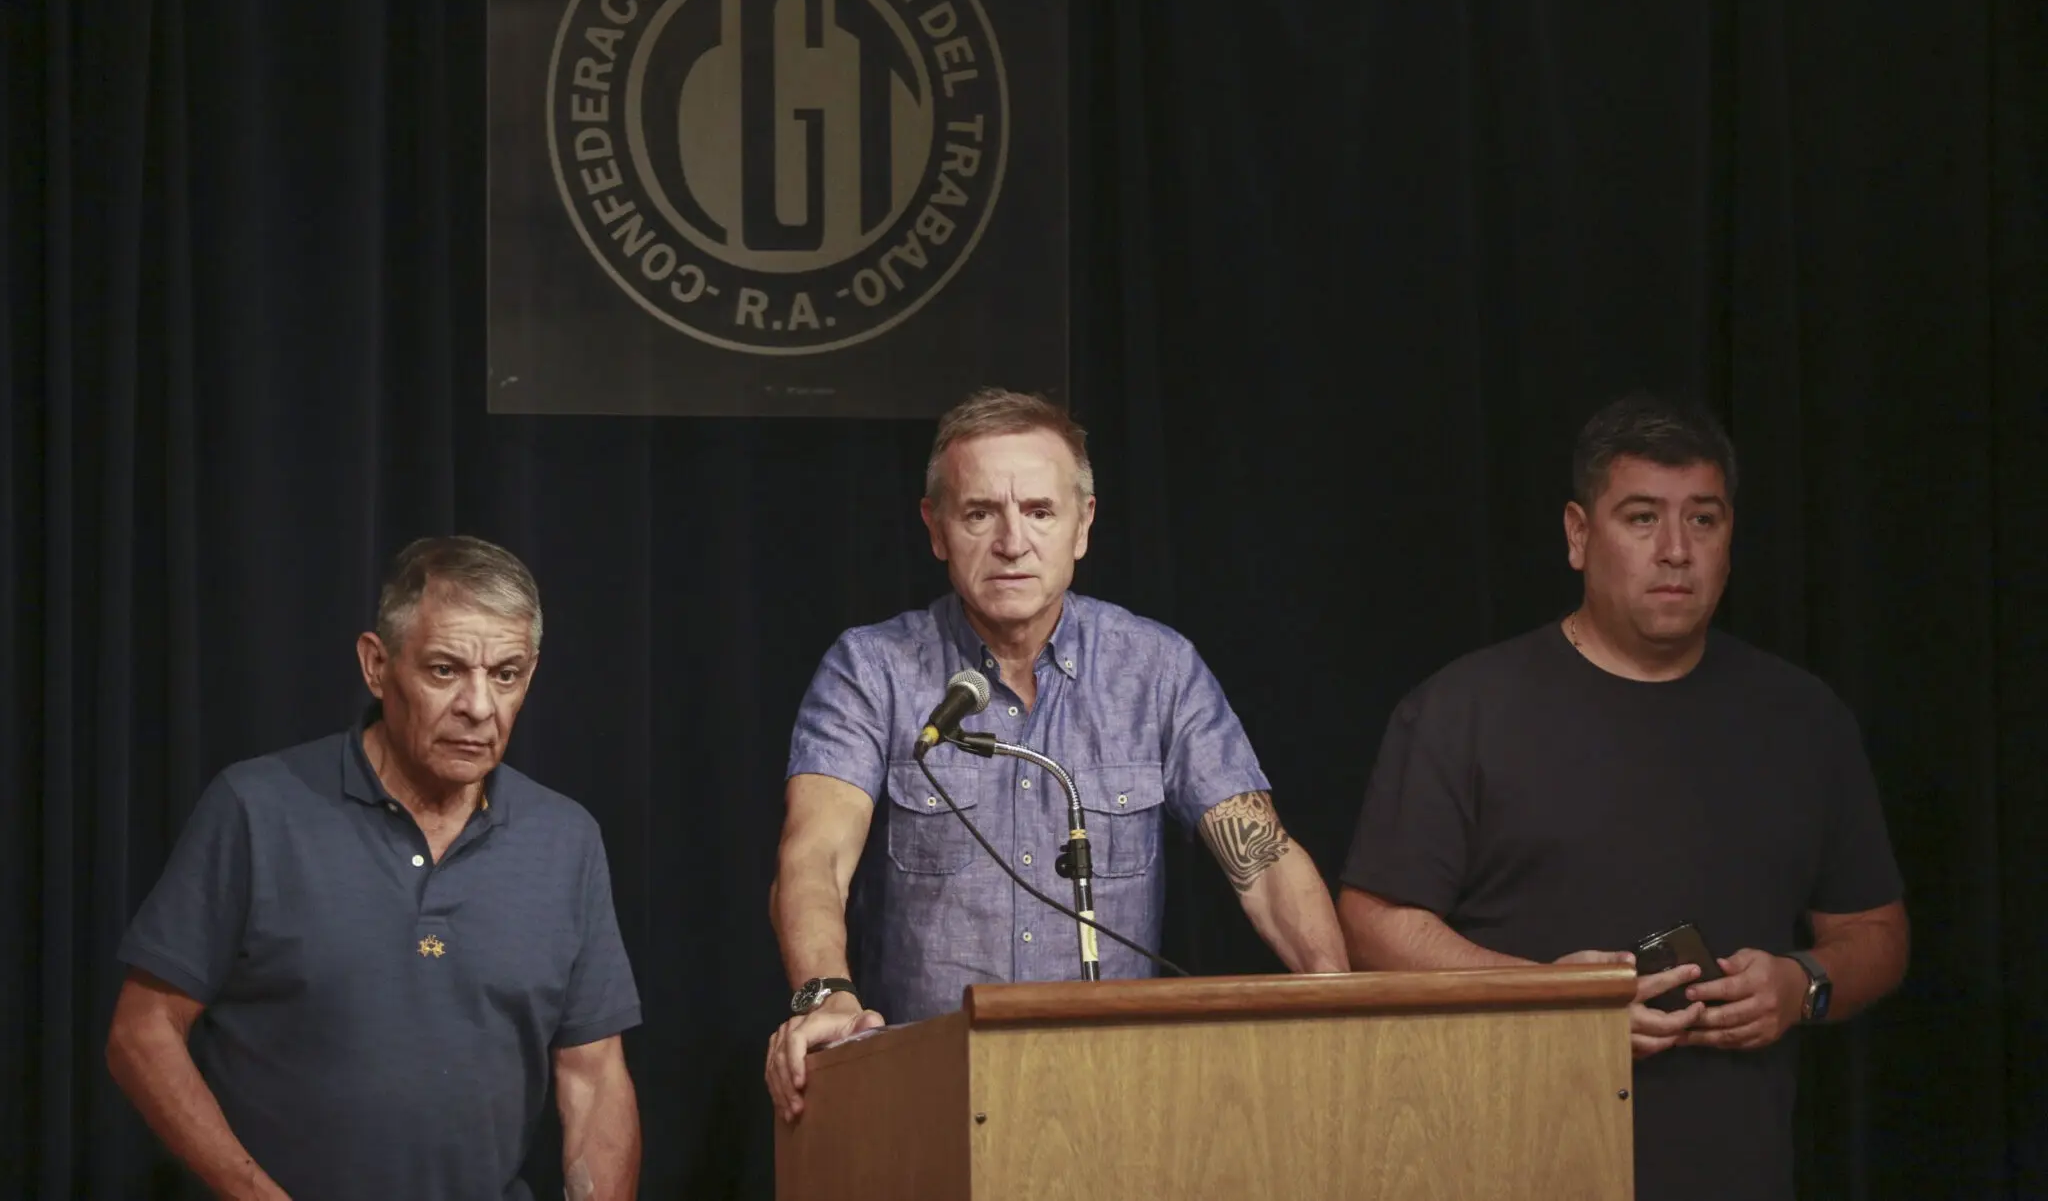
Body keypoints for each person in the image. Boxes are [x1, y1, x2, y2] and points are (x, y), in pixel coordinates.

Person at [1337, 392, 1909, 1201]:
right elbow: (1372, 925)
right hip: (1513, 1167)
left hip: (1736, 1174)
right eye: (1642, 519)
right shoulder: (1463, 712)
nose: (1675, 551)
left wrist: (1803, 984)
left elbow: (1876, 934)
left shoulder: (1804, 718)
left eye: (1702, 520)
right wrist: (1552, 1000)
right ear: (1579, 535)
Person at [764, 388, 1349, 1121]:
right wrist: (826, 994)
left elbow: (1261, 859)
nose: (1013, 542)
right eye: (981, 513)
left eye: (1040, 511)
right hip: (931, 1097)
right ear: (936, 528)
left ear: (1083, 525)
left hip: (1119, 1096)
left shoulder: (1157, 670)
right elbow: (815, 855)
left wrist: (1338, 996)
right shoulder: (871, 669)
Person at [106, 536, 642, 1201]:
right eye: (445, 670)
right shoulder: (256, 809)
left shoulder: (565, 839)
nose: (479, 706)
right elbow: (143, 1032)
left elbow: (594, 1077)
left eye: (506, 675)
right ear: (376, 665)